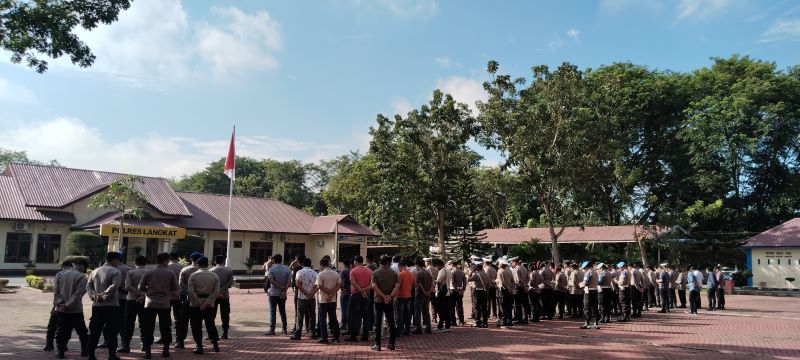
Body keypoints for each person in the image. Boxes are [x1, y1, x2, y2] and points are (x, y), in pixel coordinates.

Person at [139, 252, 179, 359]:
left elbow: (140, 288)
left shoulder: (149, 272)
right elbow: (175, 288)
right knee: (165, 327)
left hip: (150, 303)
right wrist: (166, 291)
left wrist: (149, 291)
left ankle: (148, 352)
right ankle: (165, 350)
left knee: (148, 328)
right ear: (165, 261)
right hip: (164, 304)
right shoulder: (170, 273)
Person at [86, 252, 123, 360]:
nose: (119, 262)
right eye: (118, 260)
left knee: (94, 331)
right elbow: (115, 286)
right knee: (112, 331)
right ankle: (112, 355)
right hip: (111, 305)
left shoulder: (94, 271)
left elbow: (88, 286)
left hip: (97, 306)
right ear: (114, 260)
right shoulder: (115, 271)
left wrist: (93, 296)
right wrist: (103, 295)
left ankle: (91, 355)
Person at [53, 259, 88, 359]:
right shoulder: (81, 276)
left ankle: (60, 352)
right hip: (75, 309)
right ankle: (84, 351)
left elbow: (56, 291)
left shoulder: (60, 274)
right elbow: (78, 293)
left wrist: (60, 303)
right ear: (81, 266)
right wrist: (68, 304)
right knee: (81, 331)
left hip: (60, 309)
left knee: (61, 331)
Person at [187, 256, 221, 354]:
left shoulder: (193, 275)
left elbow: (190, 291)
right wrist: (206, 302)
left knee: (196, 325)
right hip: (209, 304)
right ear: (208, 264)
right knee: (210, 324)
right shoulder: (214, 276)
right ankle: (215, 344)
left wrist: (198, 302)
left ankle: (199, 346)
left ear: (198, 264)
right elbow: (216, 291)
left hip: (195, 304)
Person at [118, 256, 148, 353]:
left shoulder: (131, 272)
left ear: (135, 262)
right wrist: (142, 293)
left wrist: (137, 292)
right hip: (145, 300)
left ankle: (126, 345)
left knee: (128, 324)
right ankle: (144, 344)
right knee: (144, 323)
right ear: (145, 263)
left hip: (131, 300)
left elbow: (127, 286)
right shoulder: (148, 272)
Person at [371, 255, 399, 351]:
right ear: (388, 262)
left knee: (378, 323)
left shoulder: (375, 273)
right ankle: (391, 344)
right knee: (391, 322)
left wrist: (383, 296)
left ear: (379, 262)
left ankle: (377, 345)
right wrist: (390, 296)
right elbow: (397, 286)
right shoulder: (394, 273)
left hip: (378, 300)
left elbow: (374, 286)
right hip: (389, 301)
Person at [45, 260, 74, 352]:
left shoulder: (59, 274)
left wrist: (57, 304)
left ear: (63, 267)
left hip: (58, 305)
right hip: (70, 306)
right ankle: (63, 345)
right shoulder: (78, 275)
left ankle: (49, 345)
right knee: (66, 327)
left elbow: (56, 291)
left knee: (52, 327)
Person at [176, 252, 202, 349]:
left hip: (185, 299)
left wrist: (188, 293)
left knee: (183, 321)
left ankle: (180, 341)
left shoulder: (185, 269)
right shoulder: (203, 271)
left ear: (191, 259)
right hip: (199, 299)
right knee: (197, 322)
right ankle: (198, 343)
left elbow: (181, 284)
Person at [346, 255, 373, 342]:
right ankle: (365, 335)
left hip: (355, 294)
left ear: (355, 262)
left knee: (354, 315)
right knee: (366, 315)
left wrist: (361, 290)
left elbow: (353, 283)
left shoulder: (353, 271)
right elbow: (372, 284)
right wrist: (364, 290)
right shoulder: (370, 271)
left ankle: (353, 335)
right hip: (366, 295)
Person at [315, 257, 342, 343]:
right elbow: (339, 284)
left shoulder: (320, 274)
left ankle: (324, 337)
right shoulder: (336, 274)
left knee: (322, 319)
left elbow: (319, 286)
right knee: (333, 318)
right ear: (329, 264)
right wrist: (332, 293)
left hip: (323, 299)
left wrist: (327, 292)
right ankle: (336, 337)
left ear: (321, 265)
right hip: (332, 300)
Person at [291, 257, 318, 340]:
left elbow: (298, 284)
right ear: (310, 264)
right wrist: (311, 294)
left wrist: (306, 293)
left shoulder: (299, 272)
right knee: (312, 315)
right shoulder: (315, 273)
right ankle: (312, 332)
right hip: (312, 297)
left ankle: (298, 334)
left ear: (302, 264)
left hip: (302, 297)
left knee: (300, 315)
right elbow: (317, 285)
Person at [160, 252, 183, 346]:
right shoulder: (182, 267)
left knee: (165, 319)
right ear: (178, 258)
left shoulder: (165, 267)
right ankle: (179, 340)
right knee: (179, 319)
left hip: (166, 296)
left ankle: (165, 338)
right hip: (178, 296)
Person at [265, 254, 291, 336]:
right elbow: (289, 281)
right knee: (282, 311)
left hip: (273, 293)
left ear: (274, 260)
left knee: (273, 311)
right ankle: (284, 329)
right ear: (281, 260)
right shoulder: (287, 269)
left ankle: (272, 330)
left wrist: (279, 287)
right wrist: (284, 290)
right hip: (282, 293)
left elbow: (271, 281)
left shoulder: (271, 269)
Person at [210, 255, 233, 339]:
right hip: (225, 295)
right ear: (223, 261)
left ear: (215, 261)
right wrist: (222, 290)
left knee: (212, 315)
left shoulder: (211, 270)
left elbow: (210, 283)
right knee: (225, 315)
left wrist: (217, 291)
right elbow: (230, 282)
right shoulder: (228, 270)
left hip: (213, 295)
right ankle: (225, 333)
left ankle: (211, 333)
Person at [412, 259, 433, 334]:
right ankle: (428, 327)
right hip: (427, 294)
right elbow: (431, 283)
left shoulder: (419, 273)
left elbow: (418, 284)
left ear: (417, 265)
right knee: (426, 311)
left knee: (418, 311)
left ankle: (418, 328)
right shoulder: (428, 272)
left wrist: (424, 291)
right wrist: (428, 292)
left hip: (420, 294)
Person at [468, 261, 491, 328]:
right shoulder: (485, 274)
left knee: (477, 307)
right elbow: (488, 284)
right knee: (484, 307)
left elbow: (468, 279)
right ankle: (485, 322)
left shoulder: (477, 274)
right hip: (484, 291)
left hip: (478, 291)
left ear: (477, 267)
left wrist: (471, 271)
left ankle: (478, 322)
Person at [579, 261, 600, 329]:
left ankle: (587, 323)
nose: (583, 270)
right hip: (595, 290)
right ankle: (596, 323)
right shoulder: (596, 272)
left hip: (588, 291)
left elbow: (586, 283)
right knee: (595, 307)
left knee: (587, 307)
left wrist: (580, 284)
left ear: (586, 267)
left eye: (584, 268)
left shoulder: (588, 273)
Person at [396, 260, 414, 335]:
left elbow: (398, 286)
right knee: (407, 314)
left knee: (400, 314)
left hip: (400, 296)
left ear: (400, 266)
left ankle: (399, 331)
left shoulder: (401, 274)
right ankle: (407, 330)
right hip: (408, 295)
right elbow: (414, 284)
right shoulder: (411, 273)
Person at [434, 259, 452, 330]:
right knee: (446, 309)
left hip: (442, 292)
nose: (436, 268)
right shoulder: (448, 271)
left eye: (437, 266)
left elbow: (438, 282)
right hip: (447, 291)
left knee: (440, 309)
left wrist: (432, 280)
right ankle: (447, 324)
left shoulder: (442, 271)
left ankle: (441, 324)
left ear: (439, 265)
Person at [496, 257, 515, 327]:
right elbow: (513, 281)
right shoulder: (509, 270)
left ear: (501, 264)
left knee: (503, 306)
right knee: (509, 306)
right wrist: (511, 289)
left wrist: (497, 282)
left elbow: (501, 283)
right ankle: (509, 320)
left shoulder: (500, 271)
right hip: (510, 291)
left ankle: (504, 321)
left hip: (503, 291)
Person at [510, 257, 529, 324]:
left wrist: (523, 285)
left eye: (512, 262)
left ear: (515, 262)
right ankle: (525, 318)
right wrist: (525, 285)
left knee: (517, 304)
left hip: (518, 288)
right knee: (524, 304)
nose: (512, 264)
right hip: (524, 288)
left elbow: (518, 280)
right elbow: (528, 278)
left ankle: (519, 319)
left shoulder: (516, 269)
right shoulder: (524, 268)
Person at [448, 260, 467, 326]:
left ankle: (453, 321)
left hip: (453, 290)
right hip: (460, 289)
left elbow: (452, 282)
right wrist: (463, 289)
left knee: (452, 306)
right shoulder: (461, 272)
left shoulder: (452, 272)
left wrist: (456, 289)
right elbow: (465, 281)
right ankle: (461, 321)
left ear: (452, 265)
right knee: (459, 306)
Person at [425, 258, 440, 324]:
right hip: (435, 289)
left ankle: (426, 318)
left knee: (426, 305)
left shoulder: (426, 270)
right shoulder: (436, 269)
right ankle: (434, 318)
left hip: (428, 289)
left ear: (427, 262)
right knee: (434, 304)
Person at [339, 259, 352, 332]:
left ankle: (344, 325)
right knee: (351, 310)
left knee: (344, 309)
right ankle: (350, 325)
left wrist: (342, 291)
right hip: (352, 292)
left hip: (345, 291)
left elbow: (341, 283)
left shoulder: (343, 272)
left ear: (344, 264)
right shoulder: (352, 270)